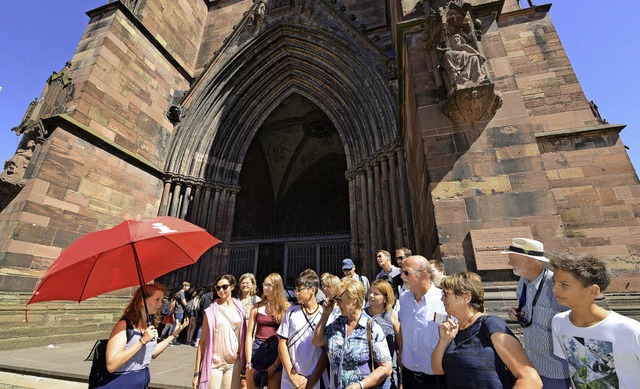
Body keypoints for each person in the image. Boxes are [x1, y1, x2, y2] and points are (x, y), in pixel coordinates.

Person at [431, 272, 542, 388]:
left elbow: (530, 379)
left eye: (445, 293)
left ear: (466, 297)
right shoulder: (453, 331)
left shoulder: (491, 325)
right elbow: (438, 370)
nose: (442, 298)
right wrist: (444, 340)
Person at [550, 253, 640, 388]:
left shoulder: (630, 330)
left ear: (593, 291)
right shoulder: (559, 322)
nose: (555, 289)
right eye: (554, 282)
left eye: (564, 284)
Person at [504, 238, 571, 388]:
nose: (509, 263)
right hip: (532, 363)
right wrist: (517, 314)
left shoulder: (556, 285)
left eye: (512, 259)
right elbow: (530, 312)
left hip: (556, 369)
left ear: (529, 260)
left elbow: (575, 322)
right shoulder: (523, 282)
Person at [97, 283, 189, 388]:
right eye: (157, 299)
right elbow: (111, 365)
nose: (160, 304)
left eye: (161, 300)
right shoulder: (124, 325)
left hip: (141, 381)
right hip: (121, 382)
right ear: (142, 301)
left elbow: (152, 353)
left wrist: (173, 335)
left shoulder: (151, 325)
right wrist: (142, 341)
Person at [313, 277, 392, 389]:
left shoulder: (371, 327)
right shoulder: (337, 324)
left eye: (339, 299)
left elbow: (386, 367)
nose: (337, 303)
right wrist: (325, 314)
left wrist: (360, 385)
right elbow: (317, 340)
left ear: (353, 300)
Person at [398, 255, 447, 389]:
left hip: (436, 380)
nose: (402, 276)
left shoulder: (443, 300)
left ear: (423, 274)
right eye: (401, 272)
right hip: (409, 377)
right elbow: (403, 331)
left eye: (407, 272)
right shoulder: (403, 299)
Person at [193, 274, 247, 389]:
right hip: (215, 363)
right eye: (218, 288)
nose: (221, 290)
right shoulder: (211, 311)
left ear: (232, 286)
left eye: (224, 287)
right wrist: (197, 373)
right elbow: (202, 343)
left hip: (234, 362)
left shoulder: (240, 308)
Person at [278, 271, 329, 389]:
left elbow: (327, 351)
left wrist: (311, 381)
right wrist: (293, 376)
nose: (296, 293)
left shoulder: (326, 314)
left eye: (299, 290)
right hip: (290, 380)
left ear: (312, 290)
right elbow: (282, 344)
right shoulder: (291, 312)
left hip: (316, 380)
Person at [245, 273, 290, 389]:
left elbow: (286, 339)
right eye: (264, 284)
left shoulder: (285, 307)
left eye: (268, 285)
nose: (265, 288)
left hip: (276, 351)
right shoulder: (256, 307)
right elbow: (249, 335)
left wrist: (276, 364)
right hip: (257, 350)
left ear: (277, 287)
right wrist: (248, 362)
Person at [365, 279, 402, 389]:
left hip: (388, 373)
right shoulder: (363, 314)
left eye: (376, 294)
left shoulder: (392, 315)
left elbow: (400, 345)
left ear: (386, 298)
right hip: (367, 371)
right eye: (370, 292)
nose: (371, 296)